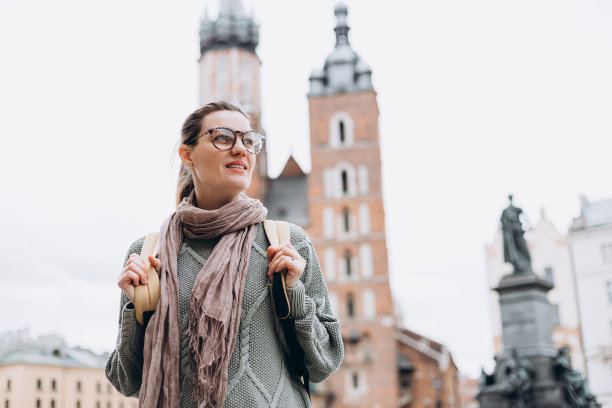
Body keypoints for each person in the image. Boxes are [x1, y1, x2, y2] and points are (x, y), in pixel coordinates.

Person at [106, 101, 344, 407]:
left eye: (248, 140)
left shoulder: (287, 242)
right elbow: (127, 381)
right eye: (222, 137)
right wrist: (135, 314)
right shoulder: (148, 254)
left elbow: (324, 363)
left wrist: (295, 294)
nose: (240, 149)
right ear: (186, 154)